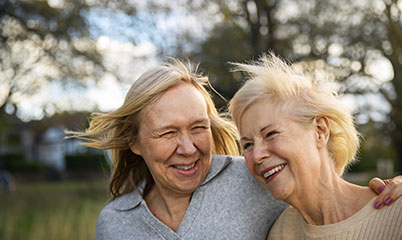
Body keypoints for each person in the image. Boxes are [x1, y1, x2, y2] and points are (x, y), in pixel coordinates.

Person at [68, 58, 401, 240]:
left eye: (198, 128)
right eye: (168, 133)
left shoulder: (254, 179)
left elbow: (320, 187)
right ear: (134, 142)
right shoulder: (114, 224)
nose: (187, 148)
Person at [229, 53, 402, 240]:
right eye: (247, 145)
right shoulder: (280, 234)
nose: (256, 155)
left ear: (320, 131)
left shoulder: (396, 213)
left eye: (271, 134)